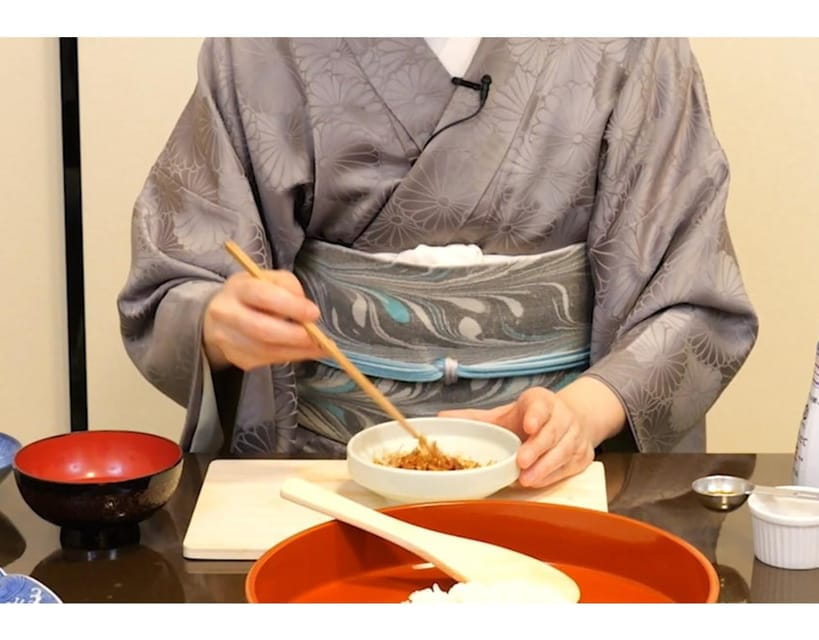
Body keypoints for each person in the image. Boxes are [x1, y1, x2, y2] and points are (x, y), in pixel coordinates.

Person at [118, 37, 758, 488]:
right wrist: (220, 323)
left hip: (558, 470)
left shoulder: (632, 37)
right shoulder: (263, 38)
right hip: (326, 474)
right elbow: (179, 274)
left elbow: (690, 291)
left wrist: (582, 415)